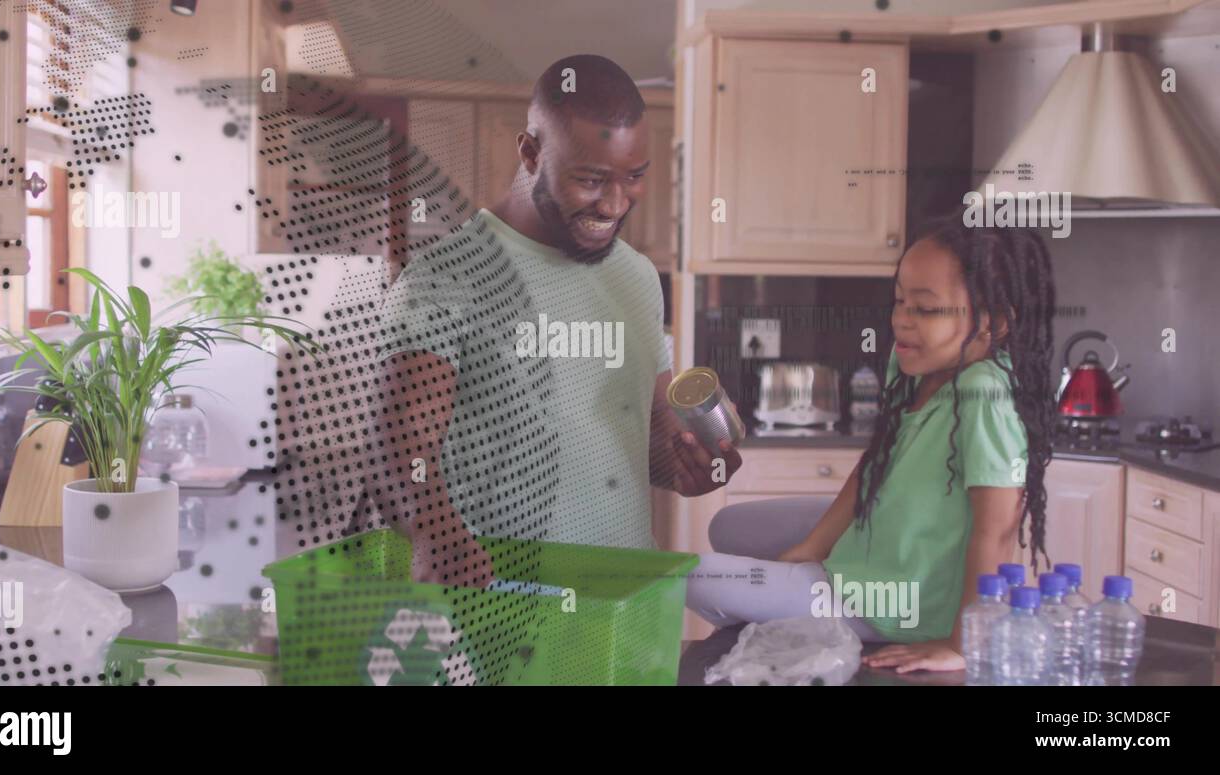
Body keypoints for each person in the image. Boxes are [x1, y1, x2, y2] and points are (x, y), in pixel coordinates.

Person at [371, 54, 742, 588]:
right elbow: (398, 449)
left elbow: (648, 446)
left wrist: (694, 465)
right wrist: (435, 533)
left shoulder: (636, 277)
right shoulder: (451, 274)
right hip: (503, 607)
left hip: (622, 598)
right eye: (590, 178)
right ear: (530, 152)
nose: (614, 204)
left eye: (632, 178)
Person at [686, 213, 1057, 673]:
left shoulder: (987, 395)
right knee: (729, 526)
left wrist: (961, 643)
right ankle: (802, 581)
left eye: (925, 308)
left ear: (993, 323)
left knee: (695, 575)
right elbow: (876, 463)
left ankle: (817, 601)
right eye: (900, 301)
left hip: (898, 599)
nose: (902, 320)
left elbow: (997, 528)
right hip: (881, 540)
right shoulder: (911, 365)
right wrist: (816, 545)